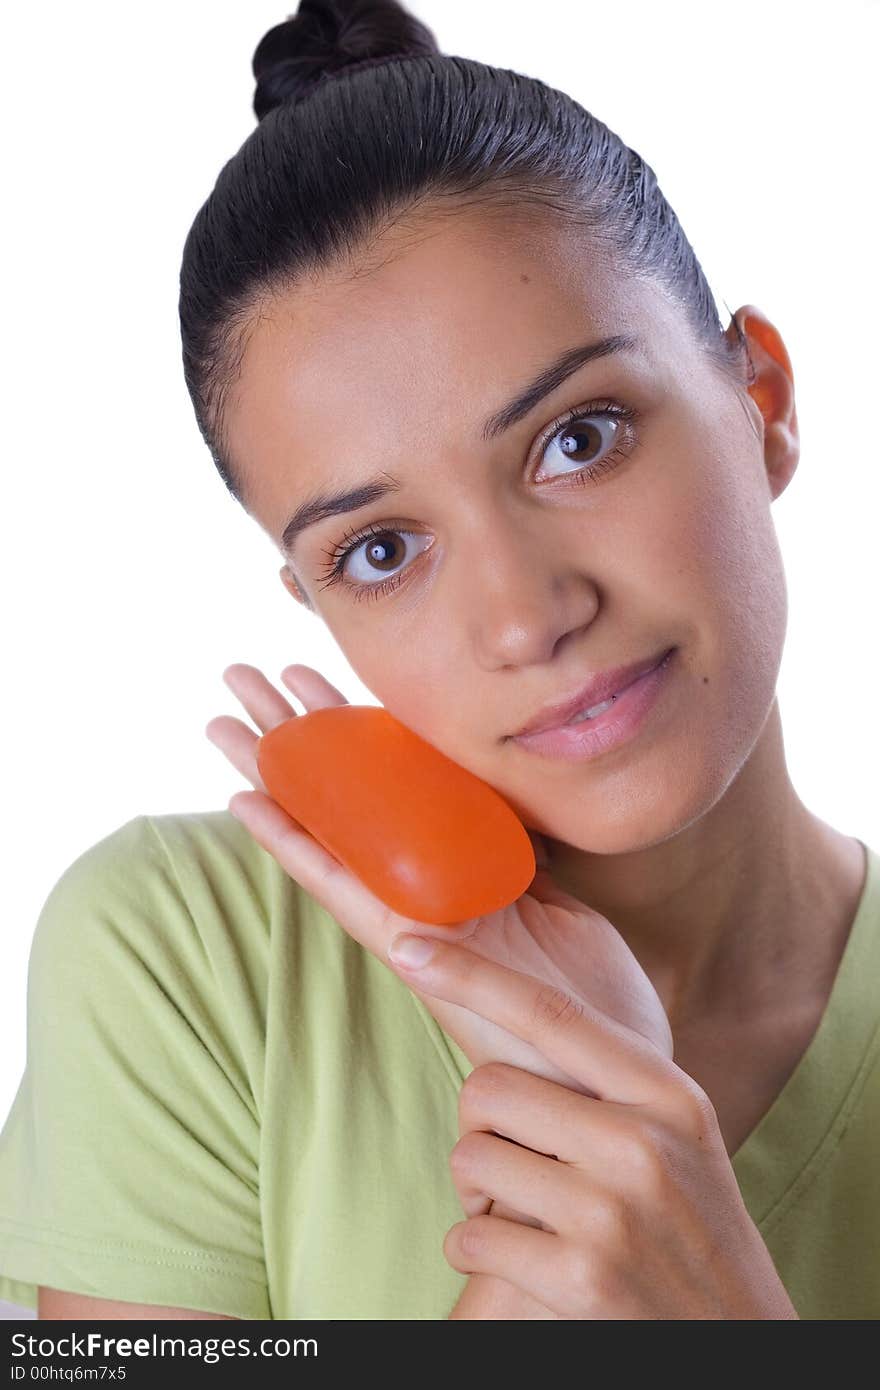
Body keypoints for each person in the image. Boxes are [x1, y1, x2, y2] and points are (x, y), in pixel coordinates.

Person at [0, 0, 877, 1321]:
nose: (526, 615)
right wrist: (553, 1216)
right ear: (313, 603)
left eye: (578, 438)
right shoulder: (185, 954)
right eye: (382, 548)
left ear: (762, 403)